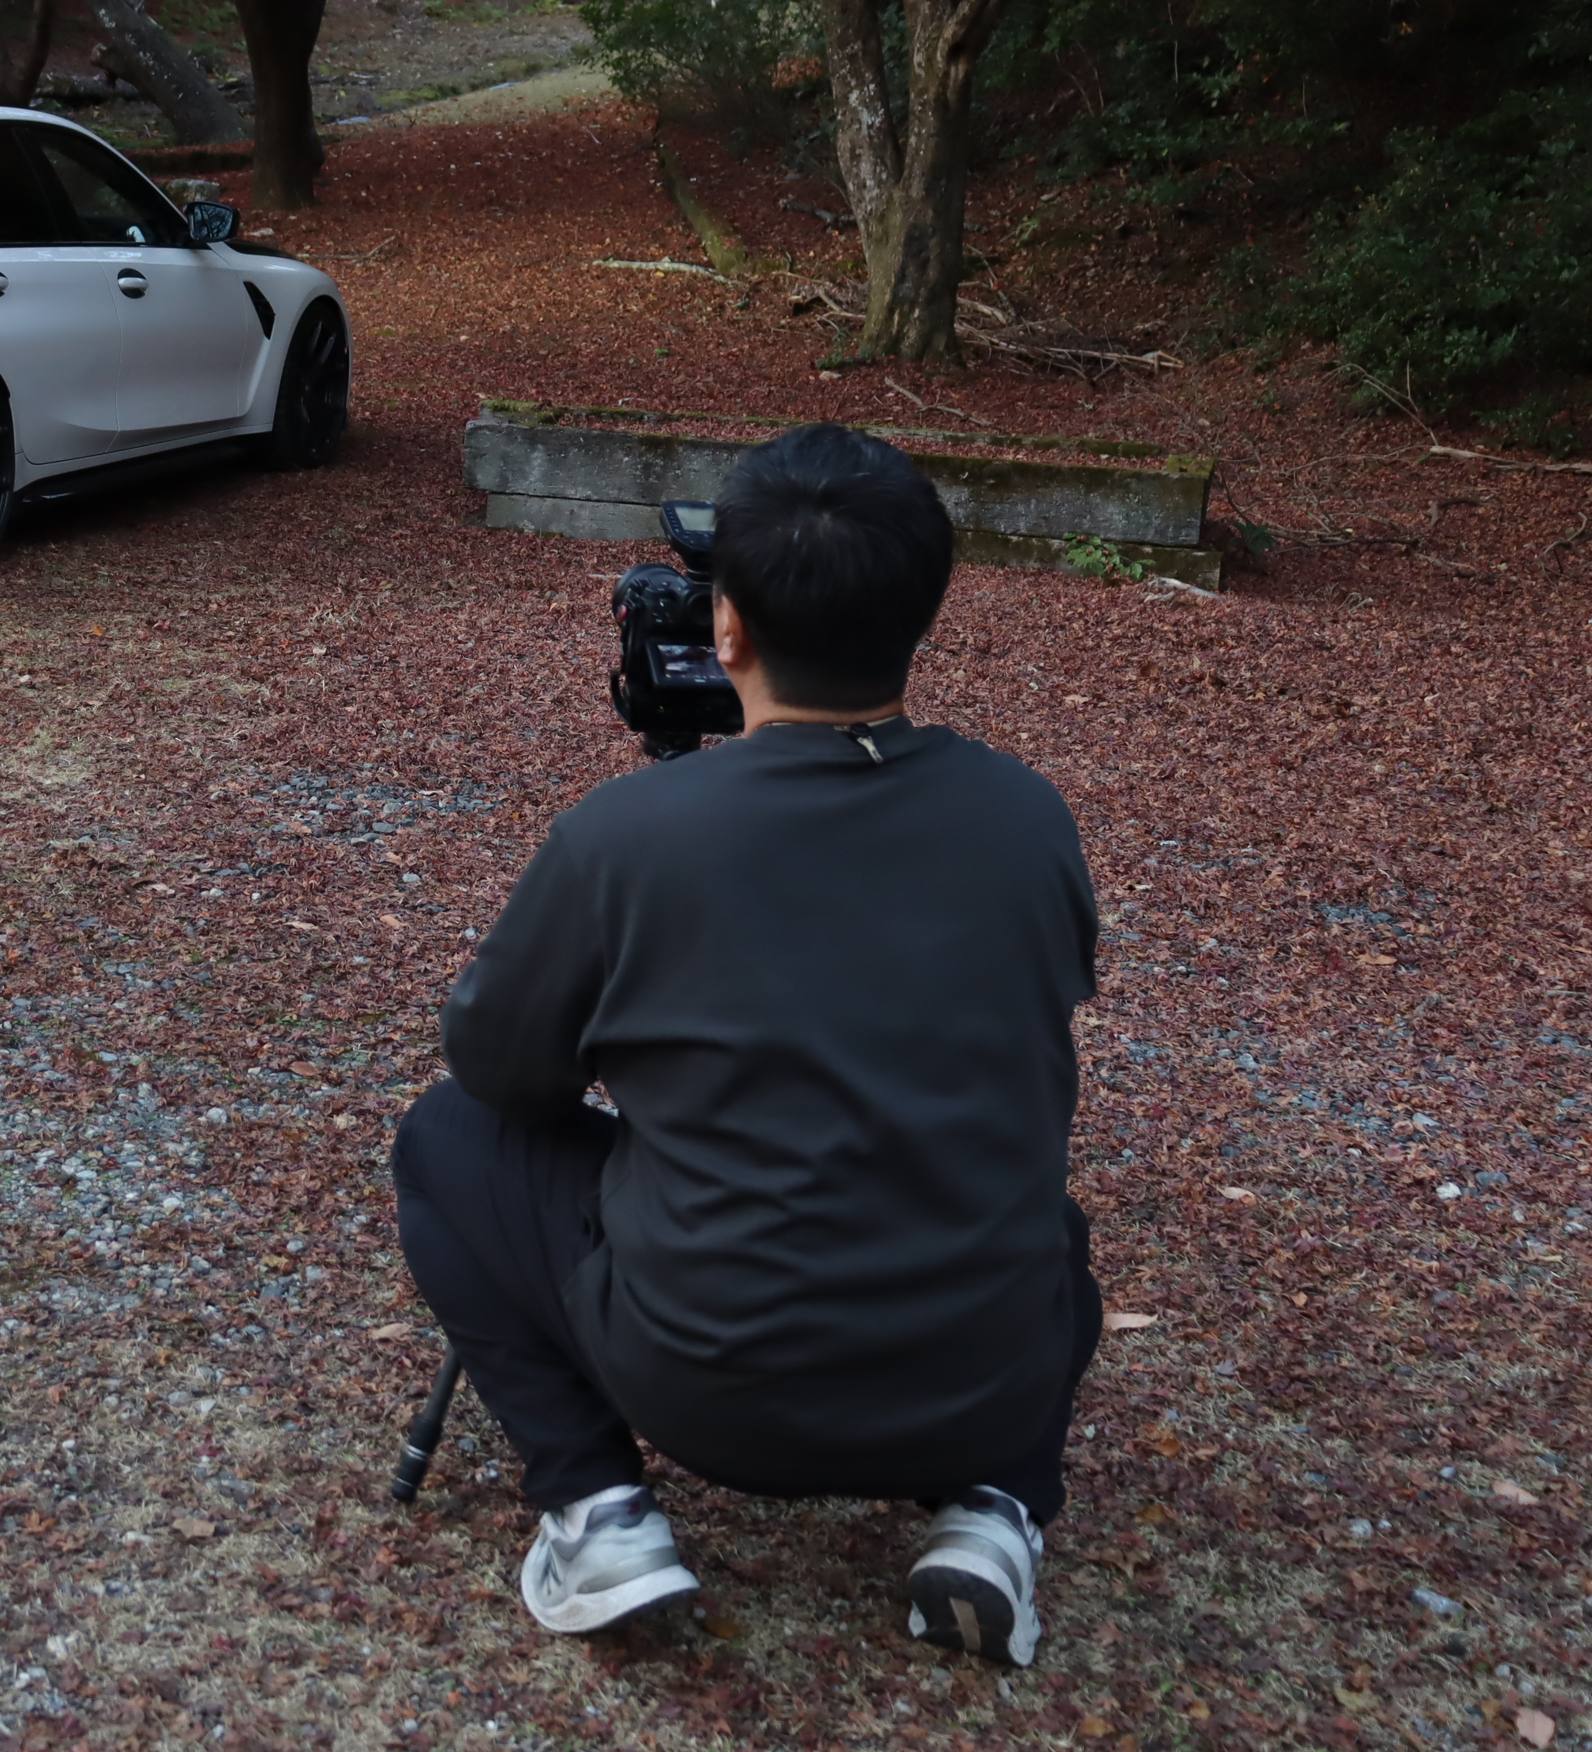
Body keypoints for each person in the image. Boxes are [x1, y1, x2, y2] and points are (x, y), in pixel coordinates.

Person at [392, 422, 1102, 1666]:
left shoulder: (629, 836)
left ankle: (600, 1513)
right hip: (977, 1390)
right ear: (922, 616)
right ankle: (994, 1512)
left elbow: (499, 1073)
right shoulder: (1029, 819)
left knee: (446, 1137)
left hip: (707, 1391)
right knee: (1052, 1222)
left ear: (727, 627)